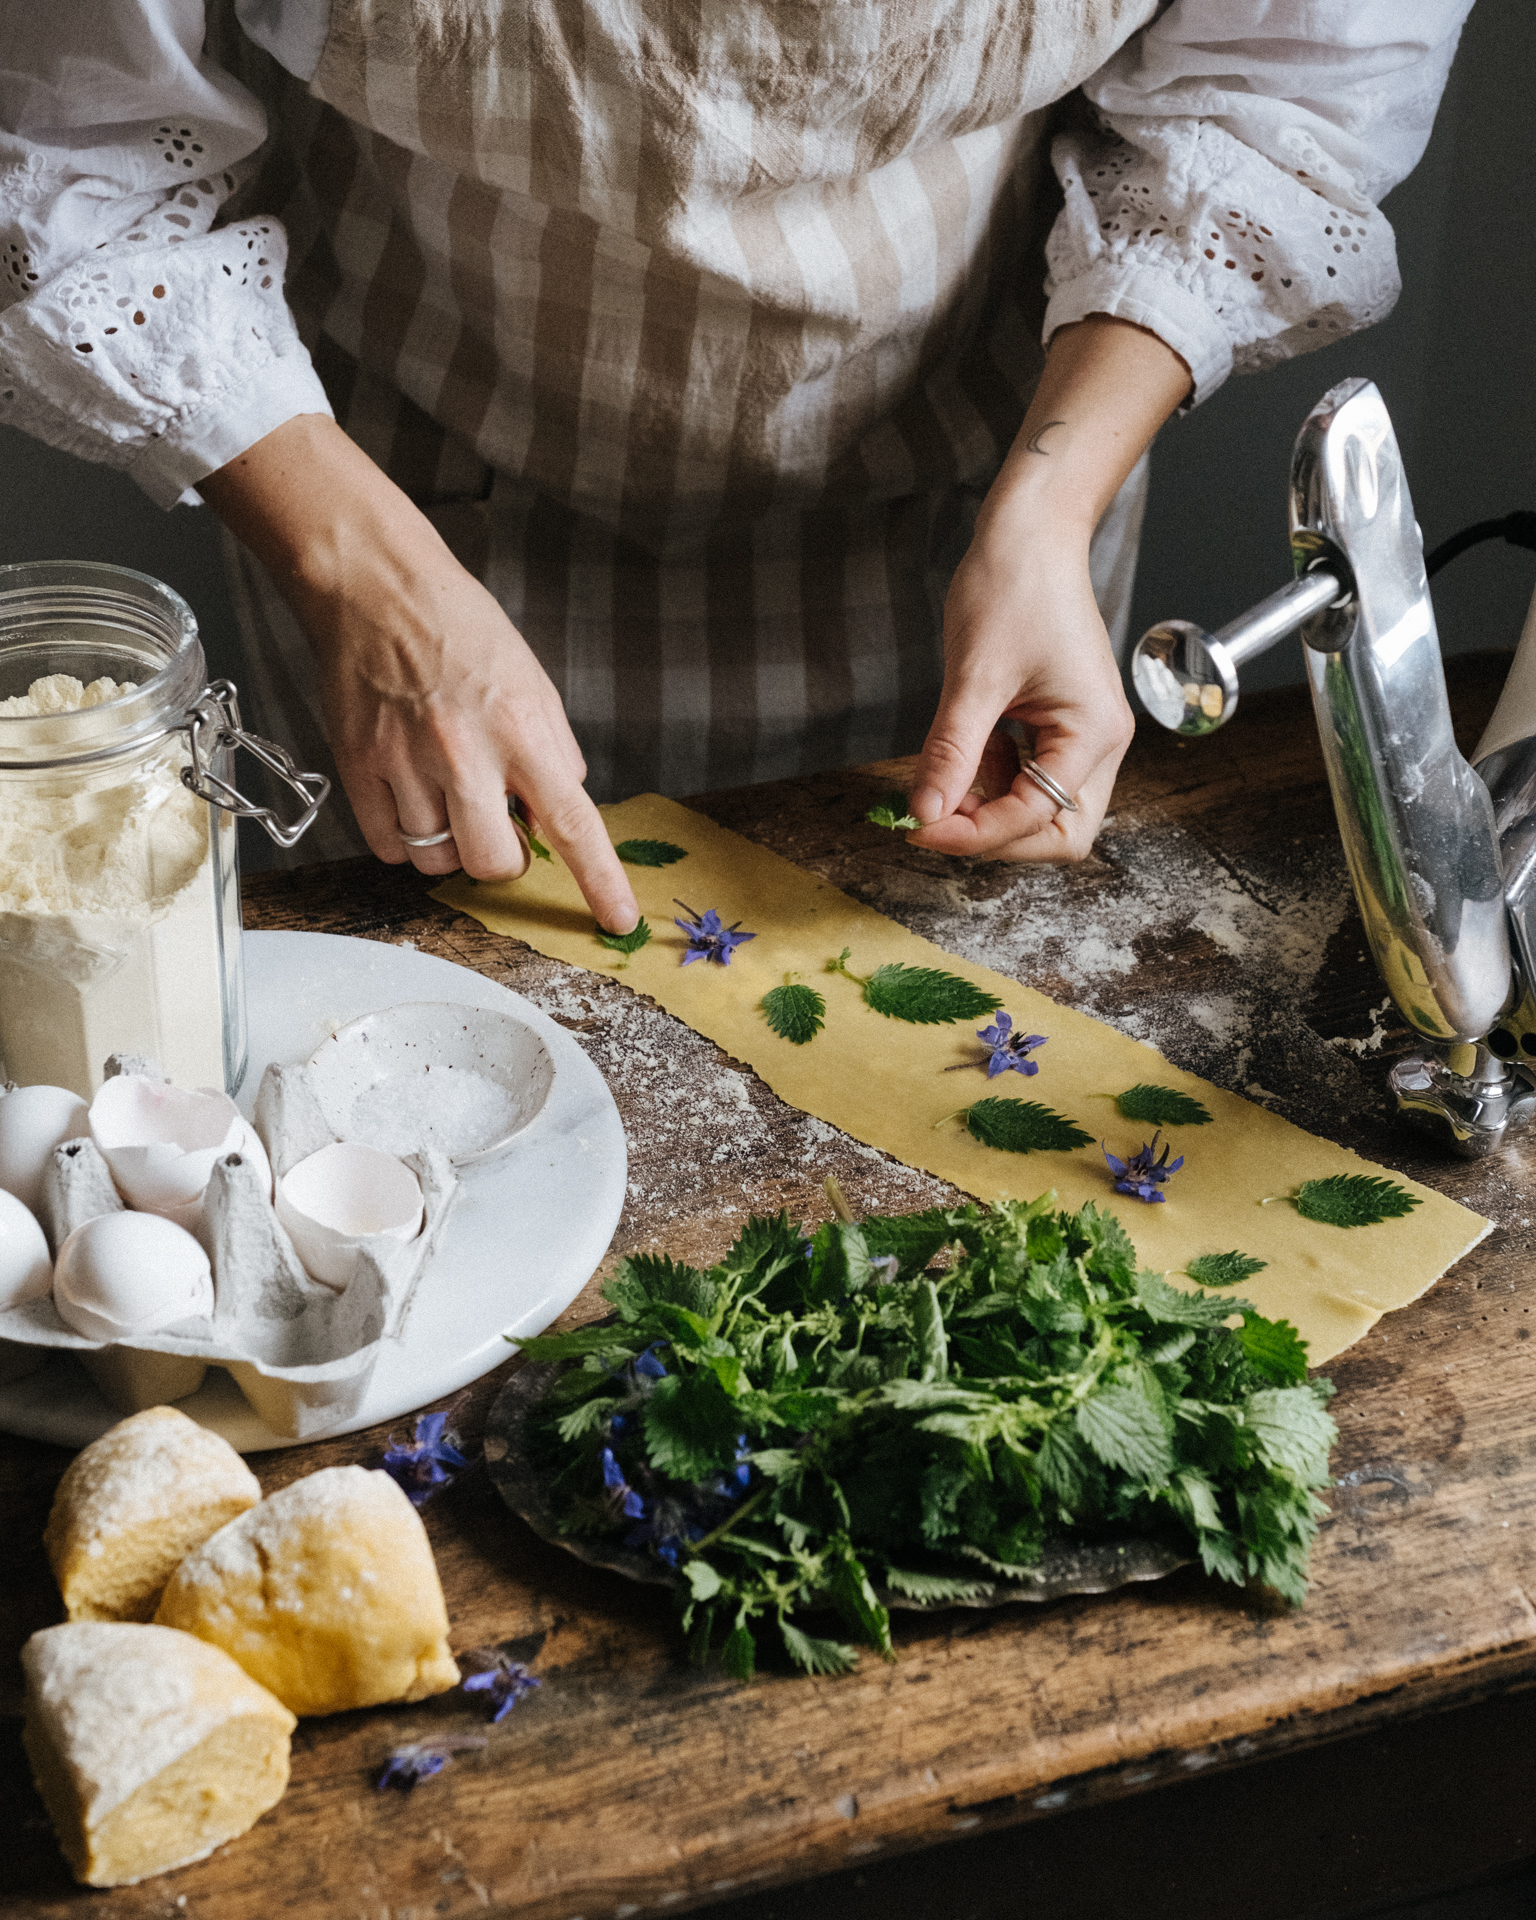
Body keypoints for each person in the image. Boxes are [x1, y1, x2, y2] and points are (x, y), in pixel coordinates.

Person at [0, 1, 1472, 937]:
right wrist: (356, 569)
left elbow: (1278, 87)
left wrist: (1050, 503)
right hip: (408, 496)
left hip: (979, 498)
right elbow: (83, 151)